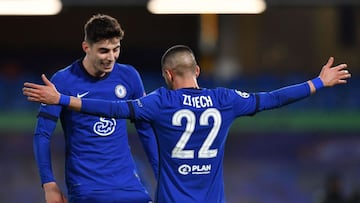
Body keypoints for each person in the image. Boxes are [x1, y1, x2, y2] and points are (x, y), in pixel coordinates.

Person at [23, 45, 351, 203]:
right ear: (197, 71)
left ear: (167, 75)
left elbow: (112, 109)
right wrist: (318, 82)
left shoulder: (159, 103)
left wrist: (63, 100)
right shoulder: (225, 100)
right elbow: (272, 99)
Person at [29, 14, 158, 203]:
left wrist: (161, 175)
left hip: (129, 185)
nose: (111, 57)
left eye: (116, 49)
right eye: (104, 51)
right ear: (86, 47)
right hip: (87, 188)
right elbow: (42, 135)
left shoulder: (129, 76)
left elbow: (145, 130)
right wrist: (49, 184)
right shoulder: (62, 81)